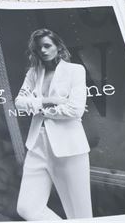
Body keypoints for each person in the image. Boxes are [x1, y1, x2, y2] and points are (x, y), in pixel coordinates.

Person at [14, 28, 92, 220]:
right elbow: (19, 103)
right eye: (38, 48)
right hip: (37, 145)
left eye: (47, 45)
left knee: (80, 215)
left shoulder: (75, 71)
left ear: (58, 46)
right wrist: (49, 101)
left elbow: (75, 110)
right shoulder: (33, 73)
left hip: (69, 148)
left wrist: (39, 109)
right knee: (27, 208)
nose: (43, 50)